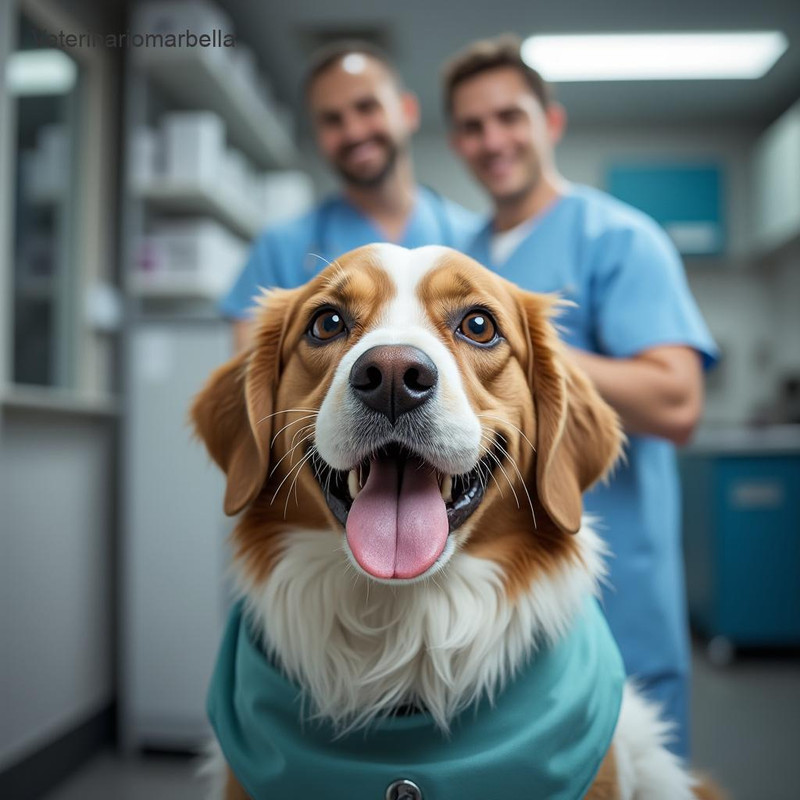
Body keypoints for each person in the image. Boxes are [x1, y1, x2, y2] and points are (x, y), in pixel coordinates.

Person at [443, 35, 718, 760]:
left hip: (613, 589)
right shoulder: (459, 260)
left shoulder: (621, 238)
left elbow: (676, 401)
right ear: (455, 142)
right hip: (487, 609)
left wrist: (516, 344)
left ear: (550, 122)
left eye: (510, 117)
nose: (492, 140)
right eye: (472, 127)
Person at [221, 41, 479, 350]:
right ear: (318, 137)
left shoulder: (474, 239)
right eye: (332, 120)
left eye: (367, 107)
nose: (353, 131)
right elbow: (251, 377)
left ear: (407, 112)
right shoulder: (280, 249)